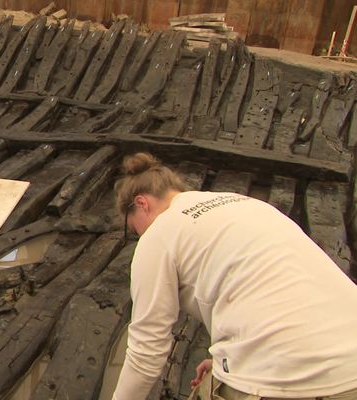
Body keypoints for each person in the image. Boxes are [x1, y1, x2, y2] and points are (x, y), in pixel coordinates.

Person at [112, 152, 357, 400]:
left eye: (134, 228)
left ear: (142, 203)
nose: (140, 236)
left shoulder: (158, 235)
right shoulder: (246, 203)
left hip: (288, 377)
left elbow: (146, 353)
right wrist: (226, 360)